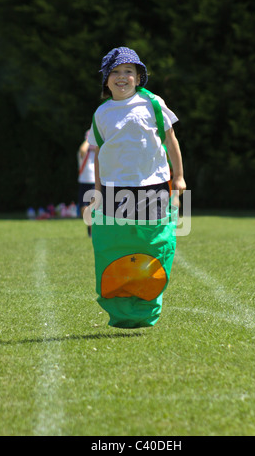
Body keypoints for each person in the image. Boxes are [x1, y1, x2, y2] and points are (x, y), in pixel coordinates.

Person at [87, 46, 186, 328]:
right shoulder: (102, 113)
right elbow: (99, 154)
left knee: (150, 245)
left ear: (139, 77)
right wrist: (97, 191)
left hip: (152, 185)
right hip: (115, 189)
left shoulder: (153, 104)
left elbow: (171, 139)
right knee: (120, 248)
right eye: (115, 72)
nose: (122, 77)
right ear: (106, 80)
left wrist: (178, 176)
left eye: (128, 71)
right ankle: (122, 308)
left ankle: (146, 304)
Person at [77, 129, 96, 237]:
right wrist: (89, 140)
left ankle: (93, 229)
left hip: (95, 181)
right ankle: (90, 226)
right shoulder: (85, 152)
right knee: (83, 207)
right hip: (85, 181)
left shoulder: (99, 151)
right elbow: (82, 150)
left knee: (93, 207)